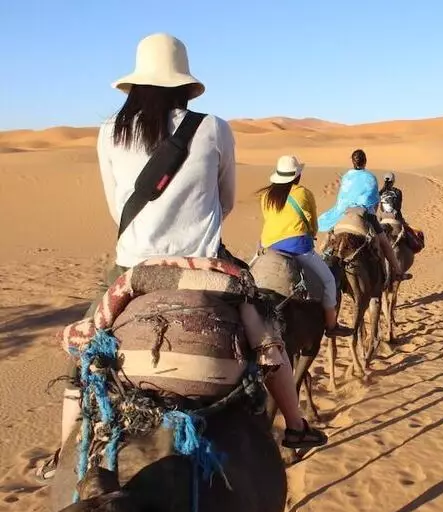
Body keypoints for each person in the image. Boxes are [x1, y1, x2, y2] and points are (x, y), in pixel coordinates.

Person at [39, 33, 325, 480]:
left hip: (133, 270)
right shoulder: (214, 128)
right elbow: (226, 200)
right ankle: (295, 424)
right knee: (267, 340)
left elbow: (119, 208)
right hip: (207, 266)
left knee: (84, 355)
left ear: (135, 84)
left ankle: (63, 453)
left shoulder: (108, 133)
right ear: (184, 85)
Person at [258, 155, 354, 337]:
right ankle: (332, 326)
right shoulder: (302, 193)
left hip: (268, 247)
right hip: (298, 248)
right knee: (329, 282)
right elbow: (312, 222)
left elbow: (269, 220)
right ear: (297, 176)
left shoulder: (266, 196)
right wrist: (311, 233)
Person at [317, 149, 411, 279]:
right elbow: (374, 201)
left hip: (344, 212)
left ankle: (318, 263)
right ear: (365, 161)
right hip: (365, 214)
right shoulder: (370, 177)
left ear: (352, 161)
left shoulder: (347, 176)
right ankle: (398, 272)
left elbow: (342, 198)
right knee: (385, 244)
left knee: (327, 239)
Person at [379, 171, 425, 253]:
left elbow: (381, 208)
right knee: (416, 232)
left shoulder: (380, 192)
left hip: (382, 219)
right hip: (397, 219)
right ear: (393, 181)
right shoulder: (398, 192)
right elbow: (398, 207)